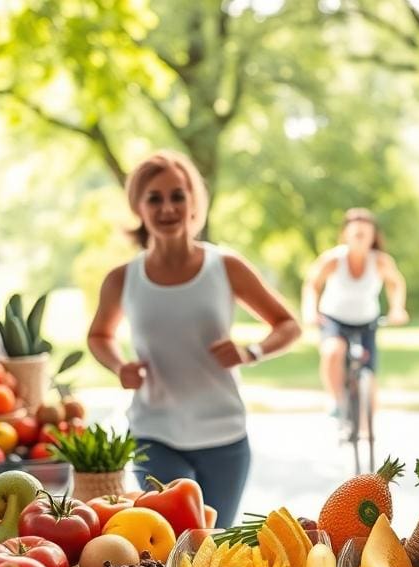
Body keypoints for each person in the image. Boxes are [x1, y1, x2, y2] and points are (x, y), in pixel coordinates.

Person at [87, 150, 301, 528]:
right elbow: (100, 335)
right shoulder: (123, 279)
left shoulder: (225, 267)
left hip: (224, 435)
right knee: (177, 541)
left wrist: (251, 351)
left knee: (214, 545)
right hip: (155, 433)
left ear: (192, 202)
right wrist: (120, 367)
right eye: (155, 198)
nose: (167, 207)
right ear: (138, 205)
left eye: (177, 195)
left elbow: (288, 324)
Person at [302, 208, 410, 416]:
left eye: (365, 234)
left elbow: (395, 284)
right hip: (334, 319)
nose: (361, 239)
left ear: (373, 237)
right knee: (333, 351)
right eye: (356, 234)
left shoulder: (380, 261)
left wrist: (397, 308)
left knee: (369, 374)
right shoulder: (333, 259)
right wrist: (309, 310)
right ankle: (336, 400)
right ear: (346, 235)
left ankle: (367, 432)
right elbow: (312, 285)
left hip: (366, 321)